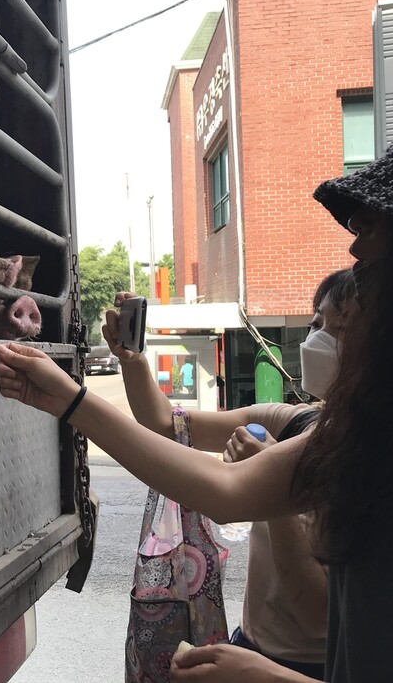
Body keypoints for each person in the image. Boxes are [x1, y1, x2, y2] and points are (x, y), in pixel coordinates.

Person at [0, 93, 393, 682]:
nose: (354, 247)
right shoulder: (373, 429)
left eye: (376, 256)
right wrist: (88, 389)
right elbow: (213, 474)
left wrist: (271, 678)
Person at [108, 269, 355, 681]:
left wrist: (274, 487)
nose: (318, 341)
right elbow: (165, 423)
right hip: (249, 647)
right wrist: (133, 361)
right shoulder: (293, 422)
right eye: (316, 325)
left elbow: (317, 617)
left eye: (339, 330)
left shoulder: (373, 460)